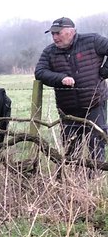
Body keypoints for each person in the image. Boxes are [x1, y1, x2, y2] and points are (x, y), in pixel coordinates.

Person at [34, 17, 108, 162]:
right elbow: (40, 72)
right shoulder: (49, 52)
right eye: (52, 34)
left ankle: (95, 179)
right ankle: (74, 178)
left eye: (58, 33)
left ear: (71, 31)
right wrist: (60, 78)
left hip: (94, 104)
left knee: (96, 142)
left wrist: (104, 72)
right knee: (71, 146)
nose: (55, 37)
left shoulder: (92, 41)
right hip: (67, 109)